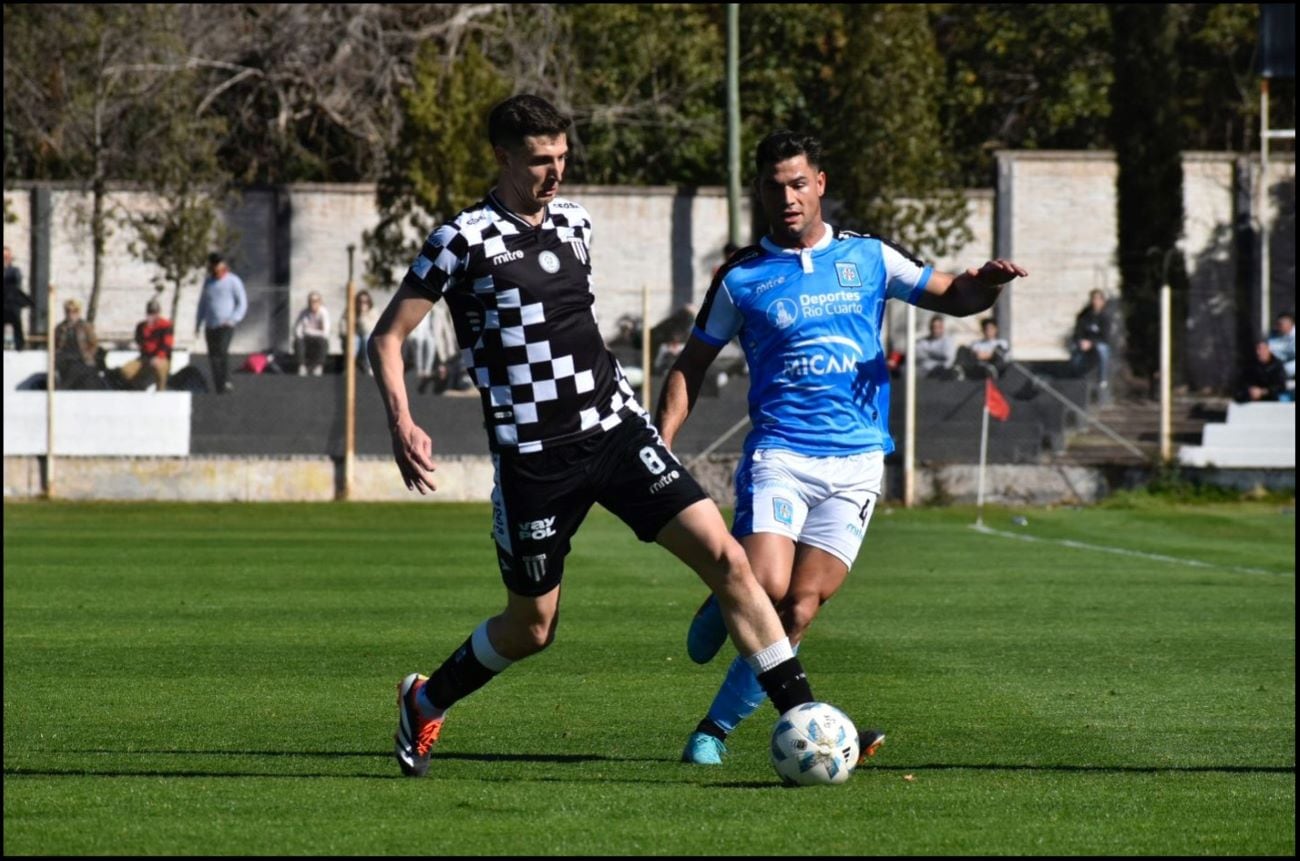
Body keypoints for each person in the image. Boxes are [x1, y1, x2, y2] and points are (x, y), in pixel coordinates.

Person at [367, 94, 824, 779]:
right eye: (540, 161)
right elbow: (388, 338)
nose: (556, 173)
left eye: (562, 158)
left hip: (615, 430)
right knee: (533, 628)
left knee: (728, 559)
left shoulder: (576, 223)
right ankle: (425, 699)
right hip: (534, 461)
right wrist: (402, 420)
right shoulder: (461, 240)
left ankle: (805, 717)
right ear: (502, 157)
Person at [654, 129, 1027, 766]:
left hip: (856, 465)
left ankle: (710, 732)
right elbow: (691, 363)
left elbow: (954, 295)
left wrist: (986, 284)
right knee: (768, 585)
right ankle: (735, 589)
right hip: (782, 454)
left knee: (800, 605)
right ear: (762, 193)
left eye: (799, 183)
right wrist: (658, 446)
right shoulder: (742, 277)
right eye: (776, 187)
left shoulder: (870, 258)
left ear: (820, 183)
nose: (789, 197)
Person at [196, 252, 247, 394]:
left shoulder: (233, 281)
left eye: (218, 264)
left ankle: (226, 381)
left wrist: (233, 319)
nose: (216, 268)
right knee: (213, 357)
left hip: (226, 325)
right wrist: (198, 322)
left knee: (222, 352)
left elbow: (242, 303)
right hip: (210, 325)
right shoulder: (209, 282)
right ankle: (218, 385)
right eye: (213, 265)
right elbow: (203, 303)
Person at [118, 298, 174, 390]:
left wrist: (158, 356)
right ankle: (138, 388)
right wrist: (147, 328)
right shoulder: (141, 326)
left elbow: (167, 345)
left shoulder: (166, 325)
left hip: (162, 357)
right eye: (150, 313)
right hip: (145, 357)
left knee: (160, 367)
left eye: (155, 313)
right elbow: (140, 342)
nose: (153, 315)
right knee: (126, 371)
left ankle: (161, 391)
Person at [1069, 288, 1112, 390]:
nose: (1095, 302)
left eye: (1098, 299)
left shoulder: (1105, 317)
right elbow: (1077, 332)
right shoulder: (1084, 315)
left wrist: (1092, 343)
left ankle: (1102, 379)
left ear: (1102, 301)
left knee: (1103, 350)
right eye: (1093, 299)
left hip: (1098, 343)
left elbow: (1105, 337)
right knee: (1074, 350)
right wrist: (1081, 342)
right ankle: (1077, 377)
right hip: (1084, 343)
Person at [52, 297, 100, 389]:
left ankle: (64, 388)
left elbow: (93, 343)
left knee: (76, 370)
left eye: (74, 311)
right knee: (69, 368)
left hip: (81, 358)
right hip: (65, 358)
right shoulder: (60, 328)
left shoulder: (85, 326)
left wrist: (88, 354)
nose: (71, 314)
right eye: (68, 311)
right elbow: (55, 344)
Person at [1234, 339, 1288, 403]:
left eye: (1264, 349)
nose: (1261, 352)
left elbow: (1281, 386)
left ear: (1269, 350)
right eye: (1258, 349)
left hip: (1271, 400)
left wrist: (1263, 392)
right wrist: (1251, 390)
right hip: (1252, 400)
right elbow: (1242, 382)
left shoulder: (1277, 365)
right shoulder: (1250, 365)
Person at [293, 291, 331, 376]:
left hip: (318, 339)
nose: (313, 303)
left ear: (320, 302)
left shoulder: (323, 313)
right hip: (307, 339)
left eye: (316, 301)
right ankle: (301, 366)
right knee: (298, 341)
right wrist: (305, 333)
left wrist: (308, 331)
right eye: (311, 301)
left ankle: (319, 366)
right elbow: (298, 330)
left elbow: (326, 333)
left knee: (324, 342)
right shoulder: (304, 313)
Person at [340, 289, 378, 375]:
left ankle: (369, 367)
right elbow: (342, 326)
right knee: (354, 339)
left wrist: (362, 315)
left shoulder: (373, 312)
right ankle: (350, 366)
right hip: (353, 341)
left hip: (368, 341)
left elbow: (369, 330)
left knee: (366, 338)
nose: (362, 304)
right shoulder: (349, 311)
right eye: (360, 301)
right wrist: (348, 334)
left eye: (365, 301)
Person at [4, 245, 33, 350]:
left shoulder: (15, 270)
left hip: (11, 304)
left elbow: (15, 283)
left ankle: (19, 347)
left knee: (17, 325)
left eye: (6, 257)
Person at [916, 314, 959, 379]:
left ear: (942, 328)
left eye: (938, 327)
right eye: (933, 327)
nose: (935, 330)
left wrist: (929, 352)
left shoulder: (949, 340)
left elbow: (947, 356)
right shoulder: (923, 341)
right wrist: (937, 354)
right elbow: (917, 354)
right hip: (925, 373)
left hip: (942, 374)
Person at [1267, 311, 1295, 397]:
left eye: (1280, 324)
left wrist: (1285, 369)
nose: (1278, 327)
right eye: (1278, 324)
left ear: (1290, 324)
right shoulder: (1275, 337)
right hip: (1282, 376)